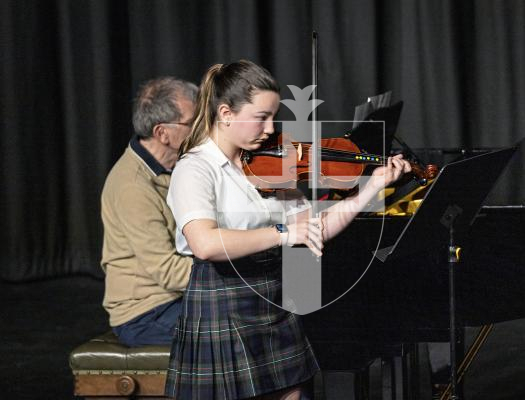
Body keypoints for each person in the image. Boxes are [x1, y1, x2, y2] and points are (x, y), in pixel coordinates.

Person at [165, 60, 411, 400]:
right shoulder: (196, 168)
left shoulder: (270, 164)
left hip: (273, 298)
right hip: (223, 300)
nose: (269, 129)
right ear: (225, 113)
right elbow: (204, 243)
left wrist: (370, 189)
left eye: (273, 117)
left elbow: (313, 228)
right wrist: (283, 233)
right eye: (261, 117)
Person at [100, 77, 198, 347]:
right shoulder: (133, 187)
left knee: (270, 316)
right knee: (242, 332)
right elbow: (168, 271)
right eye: (194, 121)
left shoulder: (177, 166)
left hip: (177, 298)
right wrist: (241, 272)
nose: (204, 126)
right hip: (146, 314)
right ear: (162, 133)